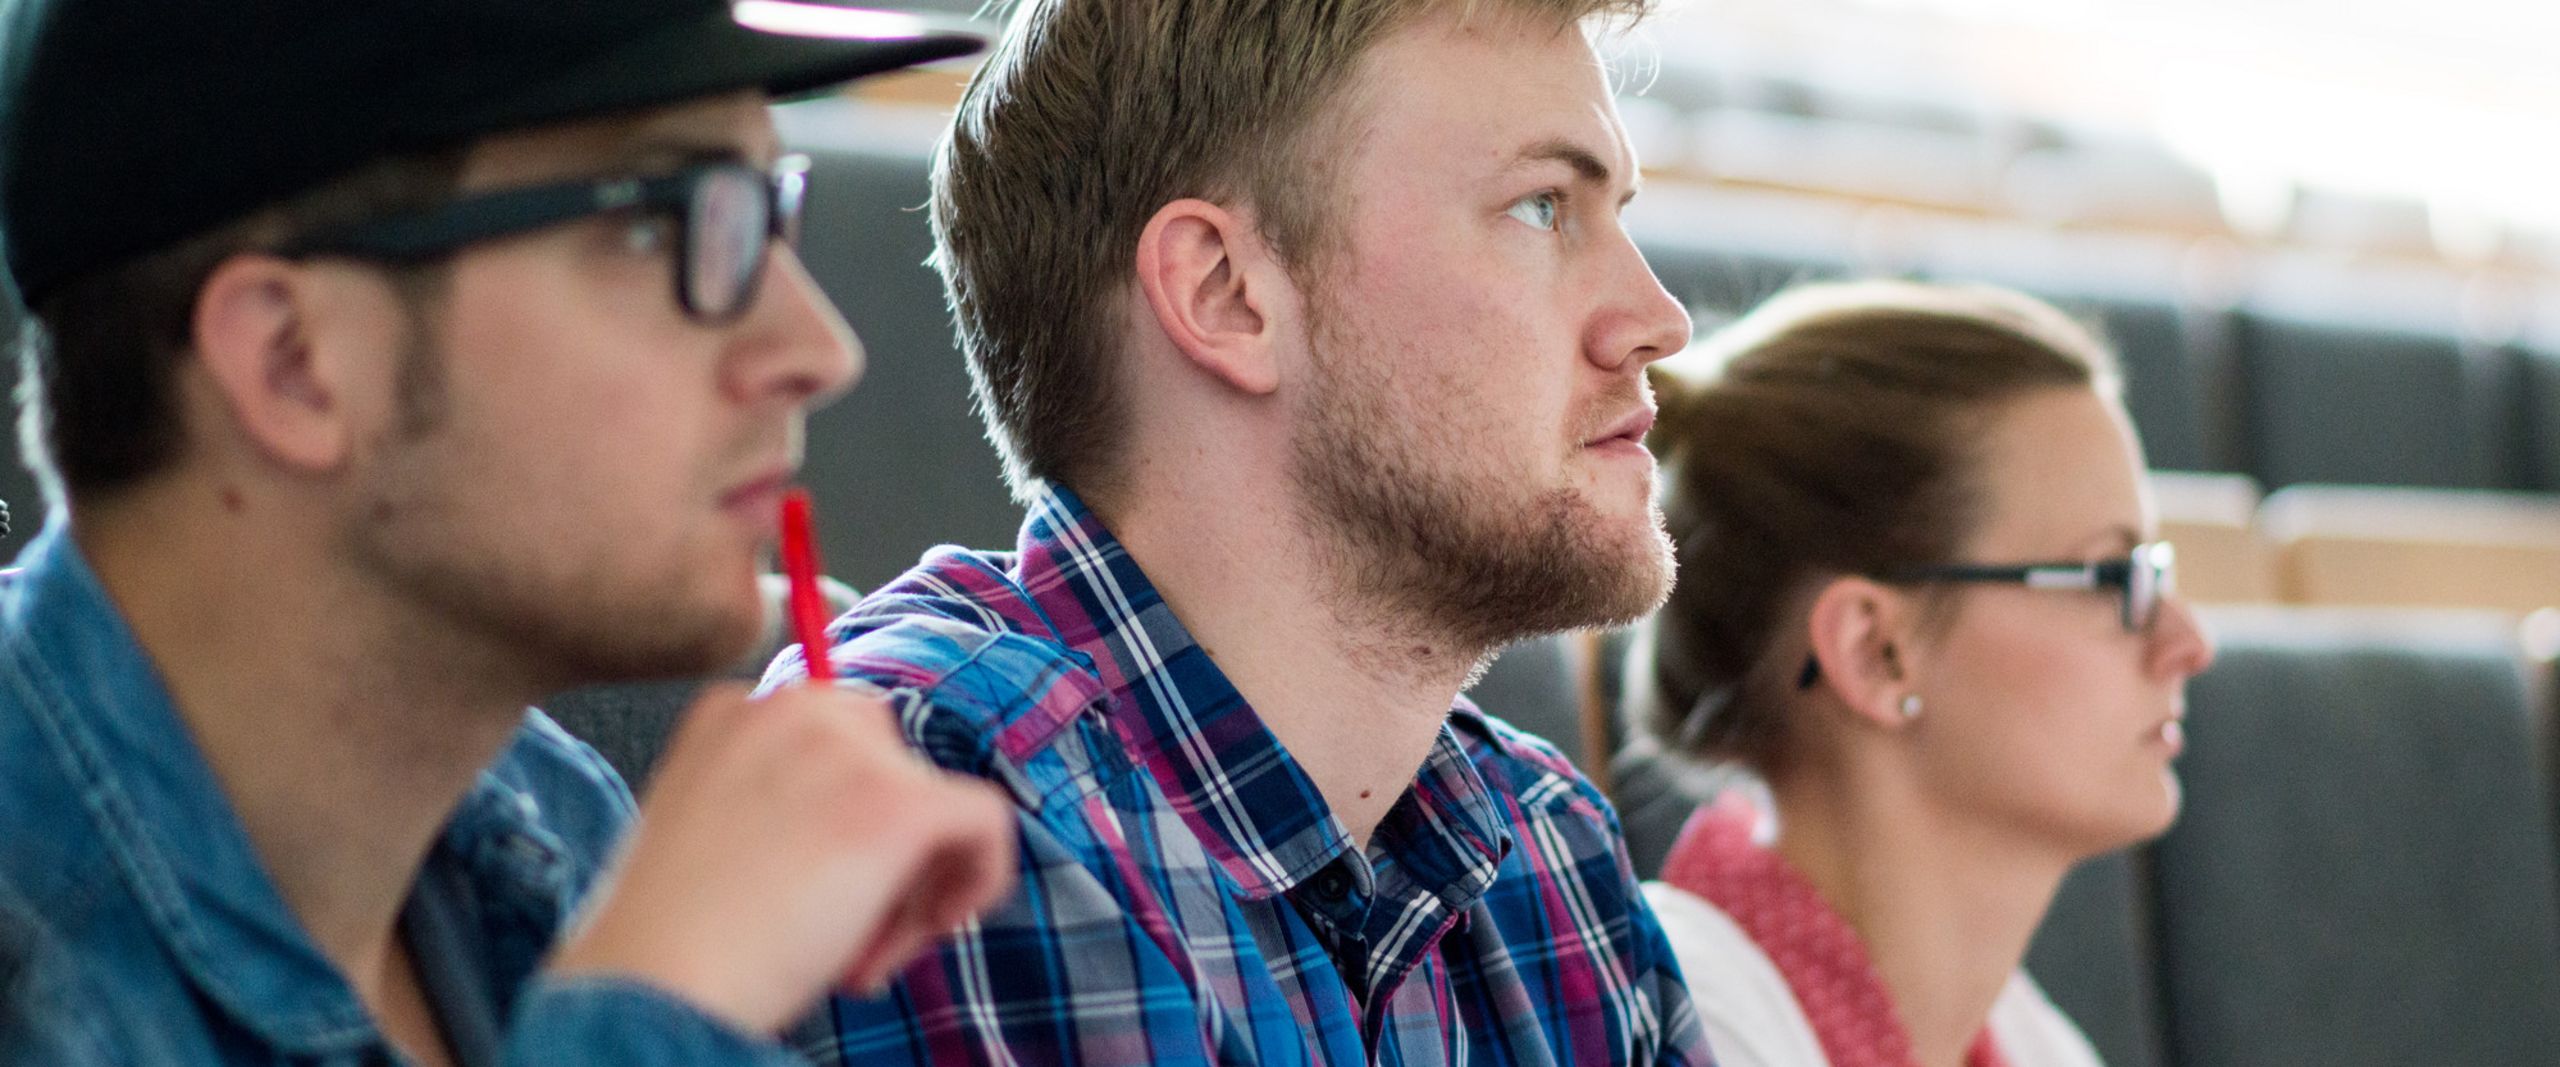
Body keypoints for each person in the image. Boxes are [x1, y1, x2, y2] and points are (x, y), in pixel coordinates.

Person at [0, 1, 1017, 1063]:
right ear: (294, 361)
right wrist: (659, 1008)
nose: (819, 348)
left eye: (769, 210)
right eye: (667, 219)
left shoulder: (544, 820)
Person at [771, 0, 1715, 1064]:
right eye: (1543, 207)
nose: (1658, 317)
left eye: (1619, 211)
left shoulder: (1553, 859)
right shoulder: (952, 790)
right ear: (1225, 293)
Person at [1625, 281, 2218, 1067]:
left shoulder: (2032, 1043)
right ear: (1877, 651)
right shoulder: (1679, 1030)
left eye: (2154, 570)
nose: (2188, 641)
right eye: (2113, 575)